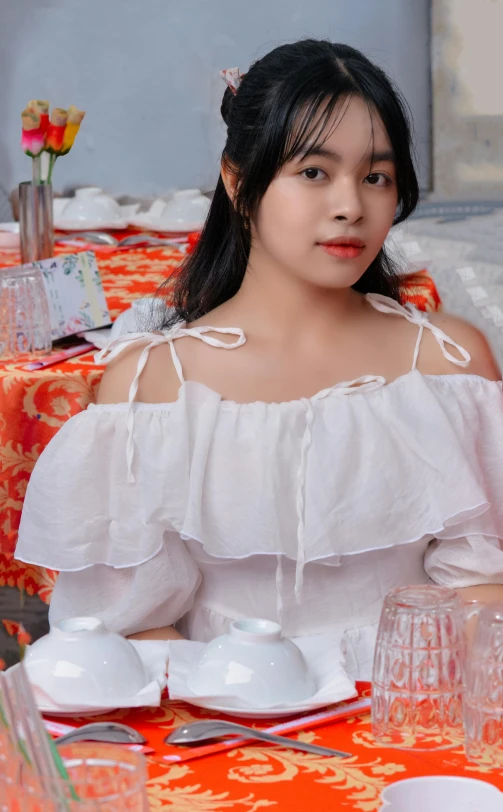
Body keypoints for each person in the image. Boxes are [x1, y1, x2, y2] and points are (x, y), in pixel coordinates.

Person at [16, 40, 503, 680]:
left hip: (412, 721)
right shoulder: (155, 386)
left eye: (376, 176)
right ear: (238, 181)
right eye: (313, 172)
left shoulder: (448, 362)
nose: (350, 205)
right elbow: (132, 628)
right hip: (225, 729)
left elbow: (483, 597)